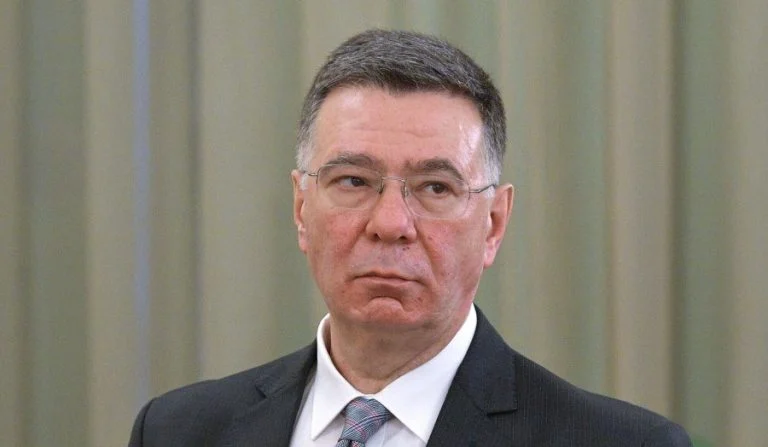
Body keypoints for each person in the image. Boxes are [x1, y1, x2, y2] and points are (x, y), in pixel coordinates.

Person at [129, 29, 692, 446]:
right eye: (354, 181)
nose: (391, 223)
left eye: (435, 188)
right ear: (302, 208)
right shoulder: (178, 431)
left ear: (494, 223)